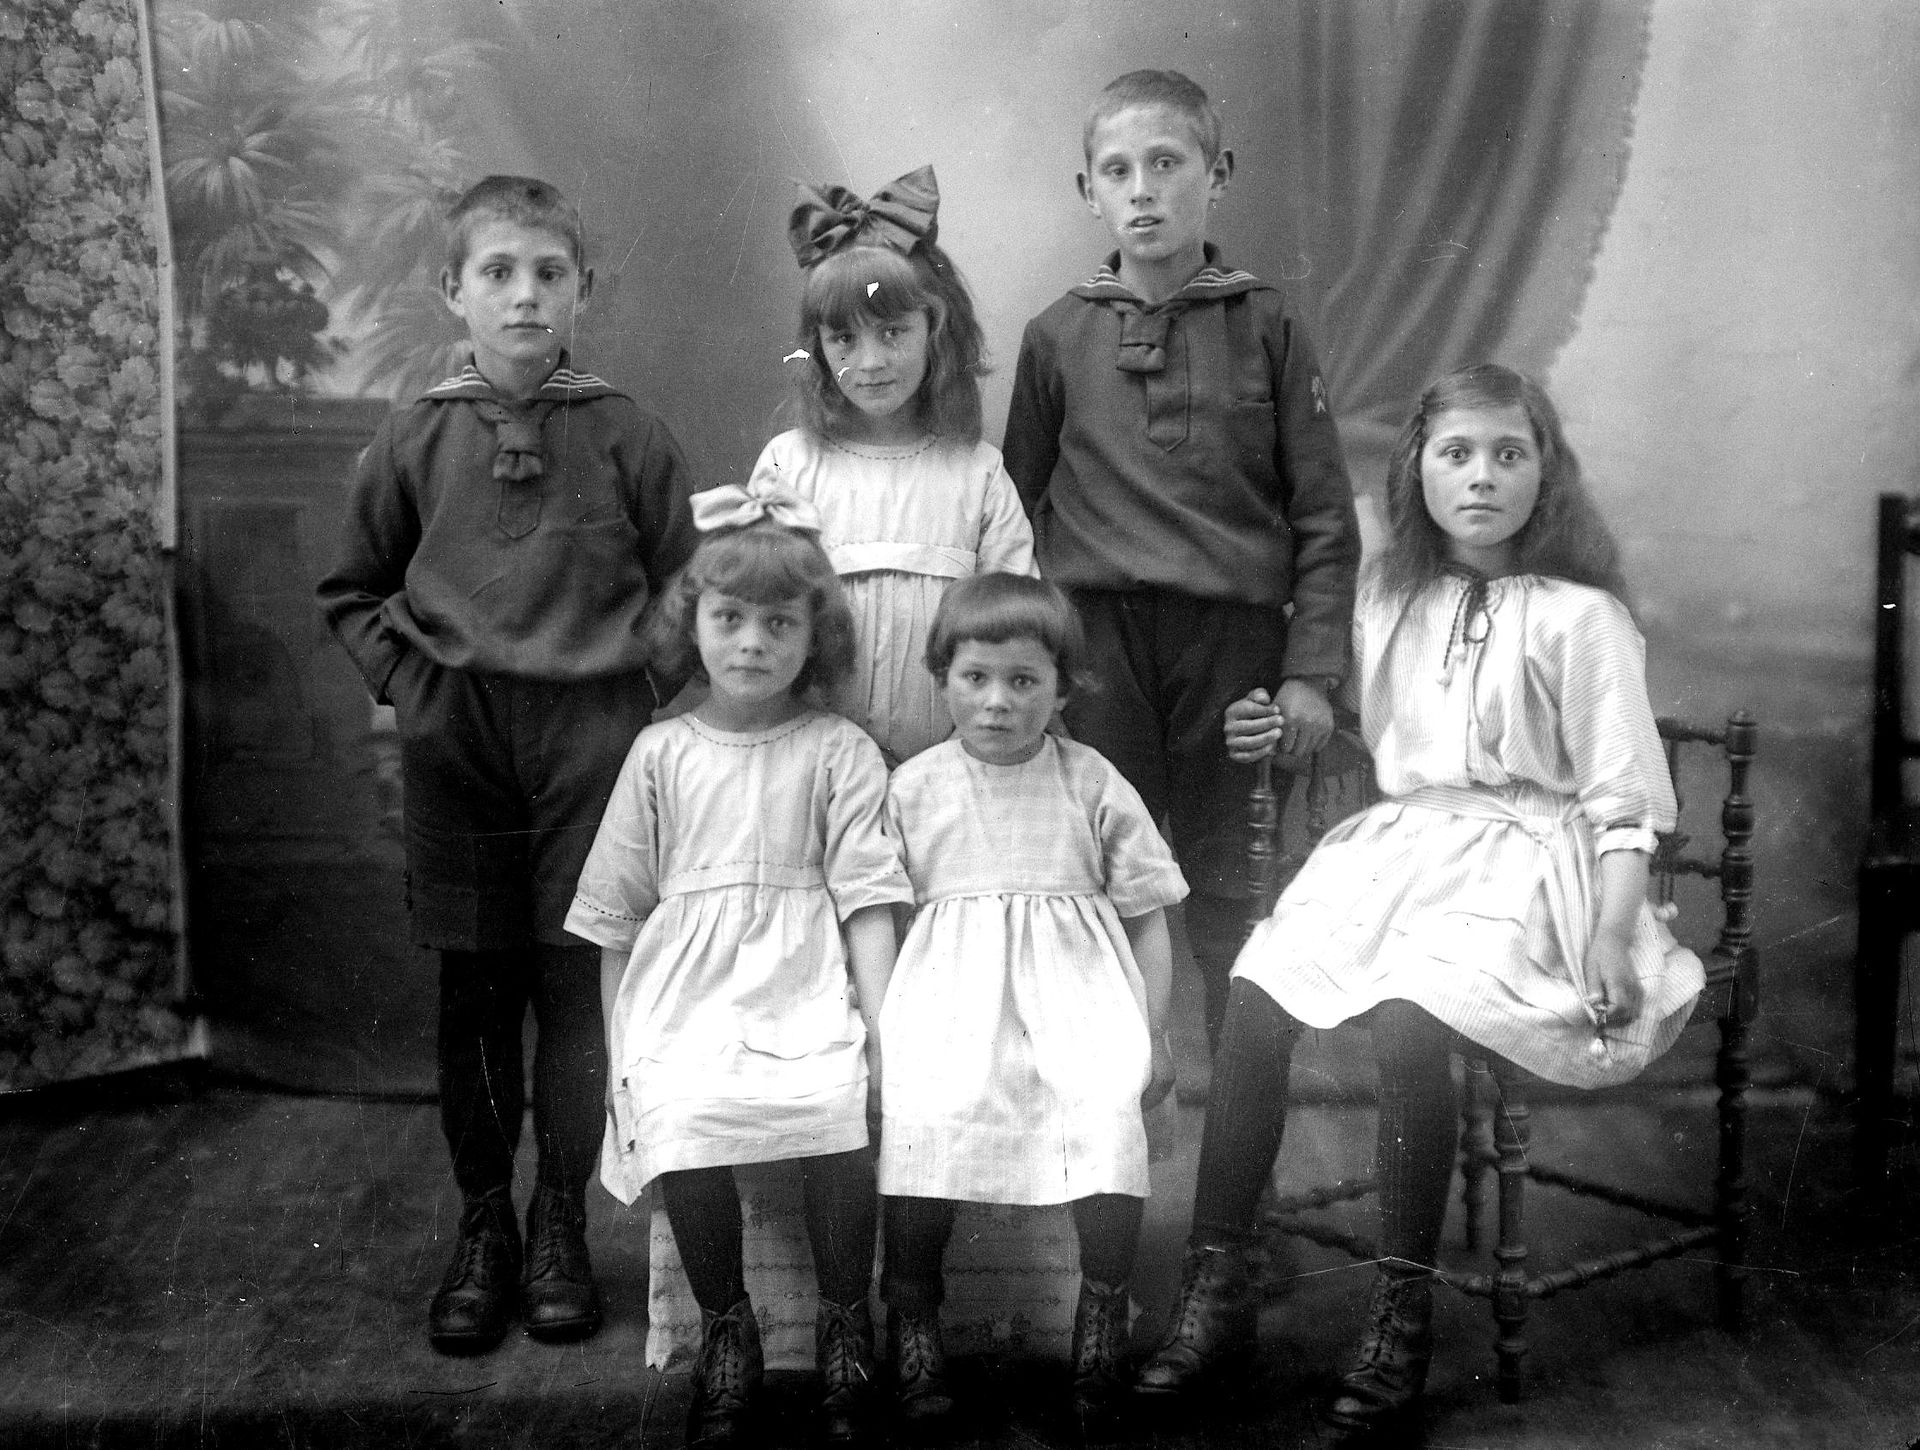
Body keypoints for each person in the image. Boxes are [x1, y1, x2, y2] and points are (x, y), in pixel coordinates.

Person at [1133, 364, 1705, 1442]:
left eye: (1508, 454)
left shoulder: (1584, 618)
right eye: (1456, 454)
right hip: (1399, 848)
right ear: (1417, 474)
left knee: (1412, 1018)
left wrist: (1609, 931)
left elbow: (1625, 801)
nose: (1482, 477)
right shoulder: (1387, 600)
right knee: (1254, 995)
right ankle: (1219, 1286)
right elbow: (1339, 714)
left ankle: (1399, 1316)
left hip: (1533, 860)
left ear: (1546, 471)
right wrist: (1284, 720)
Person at [315, 175, 699, 1354]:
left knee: (574, 984)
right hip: (460, 741)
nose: (524, 296)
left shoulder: (628, 433)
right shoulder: (414, 434)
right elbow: (353, 588)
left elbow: (690, 585)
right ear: (454, 289)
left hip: (592, 742)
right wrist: (416, 690)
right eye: (498, 273)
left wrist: (634, 693)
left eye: (548, 273)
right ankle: (484, 1221)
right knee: (477, 988)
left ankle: (558, 1222)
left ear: (584, 290)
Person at [1003, 70, 1362, 1048]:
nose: (1144, 192)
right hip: (1097, 652)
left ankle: (1234, 1127)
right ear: (1088, 191)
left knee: (1233, 890)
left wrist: (1311, 673)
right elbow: (1013, 514)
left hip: (1232, 652)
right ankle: (1118, 1109)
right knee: (1101, 884)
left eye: (1166, 164)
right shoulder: (1056, 336)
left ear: (1219, 173)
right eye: (1118, 172)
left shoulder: (1268, 325)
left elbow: (1325, 517)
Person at [566, 483, 911, 1447]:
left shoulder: (839, 750)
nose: (752, 643)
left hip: (805, 983)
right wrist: (624, 1053)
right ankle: (728, 1329)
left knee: (836, 1108)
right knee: (681, 1109)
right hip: (687, 994)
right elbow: (616, 920)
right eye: (729, 619)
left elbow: (867, 903)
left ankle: (845, 1325)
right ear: (695, 626)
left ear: (815, 636)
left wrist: (881, 1030)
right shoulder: (660, 753)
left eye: (779, 622)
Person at [878, 572, 1189, 1426]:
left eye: (1023, 681)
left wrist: (1153, 1031)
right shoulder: (914, 789)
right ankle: (914, 1322)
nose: (997, 702)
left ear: (1062, 689)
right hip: (949, 1003)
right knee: (925, 1112)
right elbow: (884, 922)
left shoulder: (1091, 782)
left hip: (1078, 1001)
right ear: (942, 678)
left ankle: (1102, 1318)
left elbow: (1148, 918)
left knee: (1105, 1106)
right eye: (975, 678)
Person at [752, 164, 1036, 767]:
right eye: (843, 339)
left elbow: (1016, 626)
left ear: (935, 330)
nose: (870, 362)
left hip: (955, 765)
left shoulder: (977, 473)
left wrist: (961, 754)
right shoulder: (788, 465)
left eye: (892, 332)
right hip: (812, 761)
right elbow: (755, 616)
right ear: (817, 346)